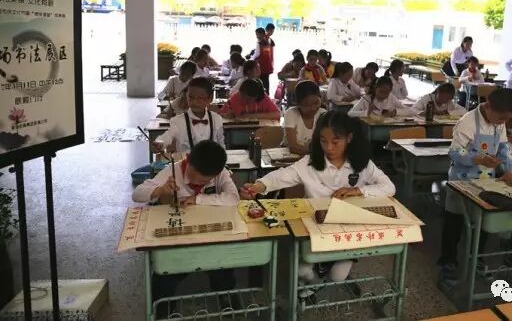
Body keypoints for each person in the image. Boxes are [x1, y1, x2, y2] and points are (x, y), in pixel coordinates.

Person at [239, 111, 395, 297]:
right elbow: (282, 176)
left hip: (346, 229)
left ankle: (318, 280)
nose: (329, 147)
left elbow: (389, 187)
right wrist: (259, 185)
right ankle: (315, 282)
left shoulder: (362, 164)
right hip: (313, 229)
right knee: (302, 271)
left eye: (335, 142)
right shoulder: (310, 163)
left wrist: (359, 190)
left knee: (337, 277)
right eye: (323, 141)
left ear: (349, 138)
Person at [133, 140, 238, 304]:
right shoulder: (173, 170)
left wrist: (198, 199)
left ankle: (225, 295)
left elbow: (233, 198)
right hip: (179, 237)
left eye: (203, 182)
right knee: (167, 272)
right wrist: (160, 190)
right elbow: (137, 194)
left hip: (210, 234)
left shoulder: (220, 172)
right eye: (193, 177)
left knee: (222, 267)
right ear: (188, 160)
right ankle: (162, 305)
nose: (196, 183)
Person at [439, 88, 512, 285]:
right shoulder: (467, 121)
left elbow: (504, 148)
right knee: (454, 223)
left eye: (506, 119)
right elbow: (455, 151)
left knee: (483, 222)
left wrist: (507, 170)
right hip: (461, 180)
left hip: (485, 181)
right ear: (488, 106)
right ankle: (448, 262)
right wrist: (477, 159)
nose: (503, 123)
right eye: (501, 118)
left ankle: (477, 258)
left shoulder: (498, 122)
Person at [152, 77, 225, 153]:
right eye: (191, 97)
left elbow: (221, 144)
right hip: (186, 160)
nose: (194, 101)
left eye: (200, 98)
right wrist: (160, 143)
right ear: (186, 96)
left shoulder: (217, 119)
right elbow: (168, 136)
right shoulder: (177, 121)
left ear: (210, 98)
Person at [284, 81, 327, 155]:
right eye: (307, 105)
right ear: (298, 104)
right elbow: (293, 147)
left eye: (316, 102)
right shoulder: (291, 113)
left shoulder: (323, 114)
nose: (313, 108)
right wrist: (317, 152)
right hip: (291, 156)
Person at [348, 76, 414, 118]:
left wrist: (395, 112)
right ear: (375, 88)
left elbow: (410, 110)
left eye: (386, 93)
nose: (383, 95)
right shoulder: (366, 99)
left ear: (390, 91)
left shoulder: (391, 97)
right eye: (381, 92)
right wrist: (367, 112)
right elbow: (350, 113)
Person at [251, 27, 275, 95]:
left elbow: (257, 54)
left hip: (261, 65)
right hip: (267, 65)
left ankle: (261, 95)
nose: (256, 36)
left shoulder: (260, 43)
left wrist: (251, 59)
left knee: (261, 81)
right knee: (266, 81)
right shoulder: (268, 41)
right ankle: (267, 95)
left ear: (261, 34)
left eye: (257, 34)